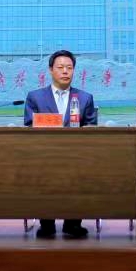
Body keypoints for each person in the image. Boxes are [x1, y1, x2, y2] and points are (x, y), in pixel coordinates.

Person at [23, 50, 97, 240]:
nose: (65, 71)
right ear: (51, 70)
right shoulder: (35, 97)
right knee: (43, 178)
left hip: (76, 156)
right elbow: (29, 126)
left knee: (79, 178)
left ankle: (73, 224)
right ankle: (46, 224)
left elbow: (91, 128)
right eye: (60, 67)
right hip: (44, 154)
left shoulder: (85, 98)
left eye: (69, 68)